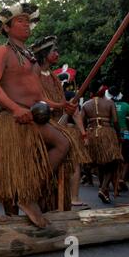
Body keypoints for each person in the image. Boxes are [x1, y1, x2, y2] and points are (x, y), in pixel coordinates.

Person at [0, 3, 77, 227]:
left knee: (63, 143)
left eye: (28, 21)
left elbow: (37, 94)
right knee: (14, 171)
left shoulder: (29, 56)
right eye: (20, 21)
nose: (26, 25)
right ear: (7, 27)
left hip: (35, 116)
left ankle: (30, 193)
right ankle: (14, 216)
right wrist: (16, 109)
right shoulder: (2, 52)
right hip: (14, 119)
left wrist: (60, 105)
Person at [31, 36, 91, 208]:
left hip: (59, 124)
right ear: (44, 54)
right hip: (42, 125)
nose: (57, 54)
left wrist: (67, 109)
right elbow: (36, 97)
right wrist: (60, 105)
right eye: (53, 51)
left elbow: (61, 101)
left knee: (68, 165)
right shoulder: (34, 71)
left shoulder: (54, 76)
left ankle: (62, 202)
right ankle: (38, 194)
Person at [82, 85, 123, 203]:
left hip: (92, 133)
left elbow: (81, 121)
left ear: (91, 94)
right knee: (113, 161)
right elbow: (115, 121)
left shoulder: (85, 105)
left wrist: (84, 136)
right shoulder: (109, 103)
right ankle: (104, 187)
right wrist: (118, 135)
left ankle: (103, 189)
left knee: (100, 162)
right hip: (107, 132)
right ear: (103, 93)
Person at [108, 86, 129, 190]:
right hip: (124, 132)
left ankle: (113, 181)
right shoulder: (126, 105)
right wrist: (128, 118)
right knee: (127, 159)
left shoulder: (108, 105)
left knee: (112, 158)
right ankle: (122, 179)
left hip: (110, 133)